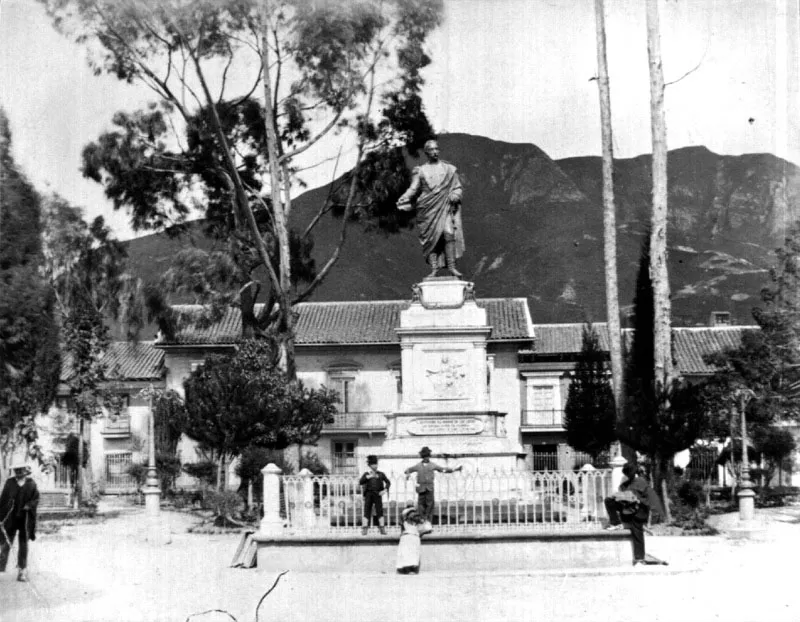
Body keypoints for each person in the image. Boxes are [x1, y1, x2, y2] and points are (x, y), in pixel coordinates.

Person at [397, 139, 465, 278]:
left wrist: (455, 194)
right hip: (427, 208)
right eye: (432, 150)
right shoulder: (421, 171)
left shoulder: (449, 169)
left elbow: (457, 187)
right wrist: (404, 197)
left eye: (437, 149)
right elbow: (413, 188)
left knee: (448, 233)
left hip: (444, 205)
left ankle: (452, 267)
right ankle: (434, 269)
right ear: (427, 153)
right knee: (431, 239)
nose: (435, 152)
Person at [604, 462, 664, 566]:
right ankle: (616, 523)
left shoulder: (642, 482)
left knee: (637, 530)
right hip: (626, 510)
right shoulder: (624, 485)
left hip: (639, 512)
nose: (629, 475)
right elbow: (621, 495)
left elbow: (650, 499)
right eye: (627, 473)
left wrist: (638, 500)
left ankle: (639, 558)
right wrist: (619, 496)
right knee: (608, 500)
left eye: (630, 473)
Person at [0, 463, 39, 582]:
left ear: (25, 471)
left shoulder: (31, 484)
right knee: (6, 543)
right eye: (16, 471)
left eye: (20, 470)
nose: (18, 473)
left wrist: (29, 505)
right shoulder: (10, 483)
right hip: (11, 518)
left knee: (23, 545)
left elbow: (36, 499)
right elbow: (3, 499)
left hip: (25, 518)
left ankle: (22, 571)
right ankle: (1, 567)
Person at [404, 447, 463, 526]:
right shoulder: (418, 466)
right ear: (422, 457)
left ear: (429, 456)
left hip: (430, 488)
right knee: (420, 506)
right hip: (421, 489)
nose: (426, 458)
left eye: (427, 456)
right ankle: (421, 521)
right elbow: (407, 470)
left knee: (430, 506)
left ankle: (428, 522)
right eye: (425, 456)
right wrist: (408, 474)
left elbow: (443, 469)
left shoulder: (432, 465)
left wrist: (454, 469)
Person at [359, 455, 391, 535]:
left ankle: (382, 528)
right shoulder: (366, 474)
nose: (375, 466)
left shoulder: (381, 474)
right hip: (368, 494)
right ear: (369, 465)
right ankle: (365, 528)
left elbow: (388, 482)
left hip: (378, 494)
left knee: (379, 511)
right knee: (367, 511)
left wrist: (385, 490)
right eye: (373, 464)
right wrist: (368, 477)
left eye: (376, 464)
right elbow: (361, 482)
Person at [396, 503, 424, 574]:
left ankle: (409, 568)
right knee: (409, 553)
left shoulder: (412, 522)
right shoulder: (407, 521)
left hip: (410, 537)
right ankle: (409, 569)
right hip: (410, 537)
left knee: (410, 553)